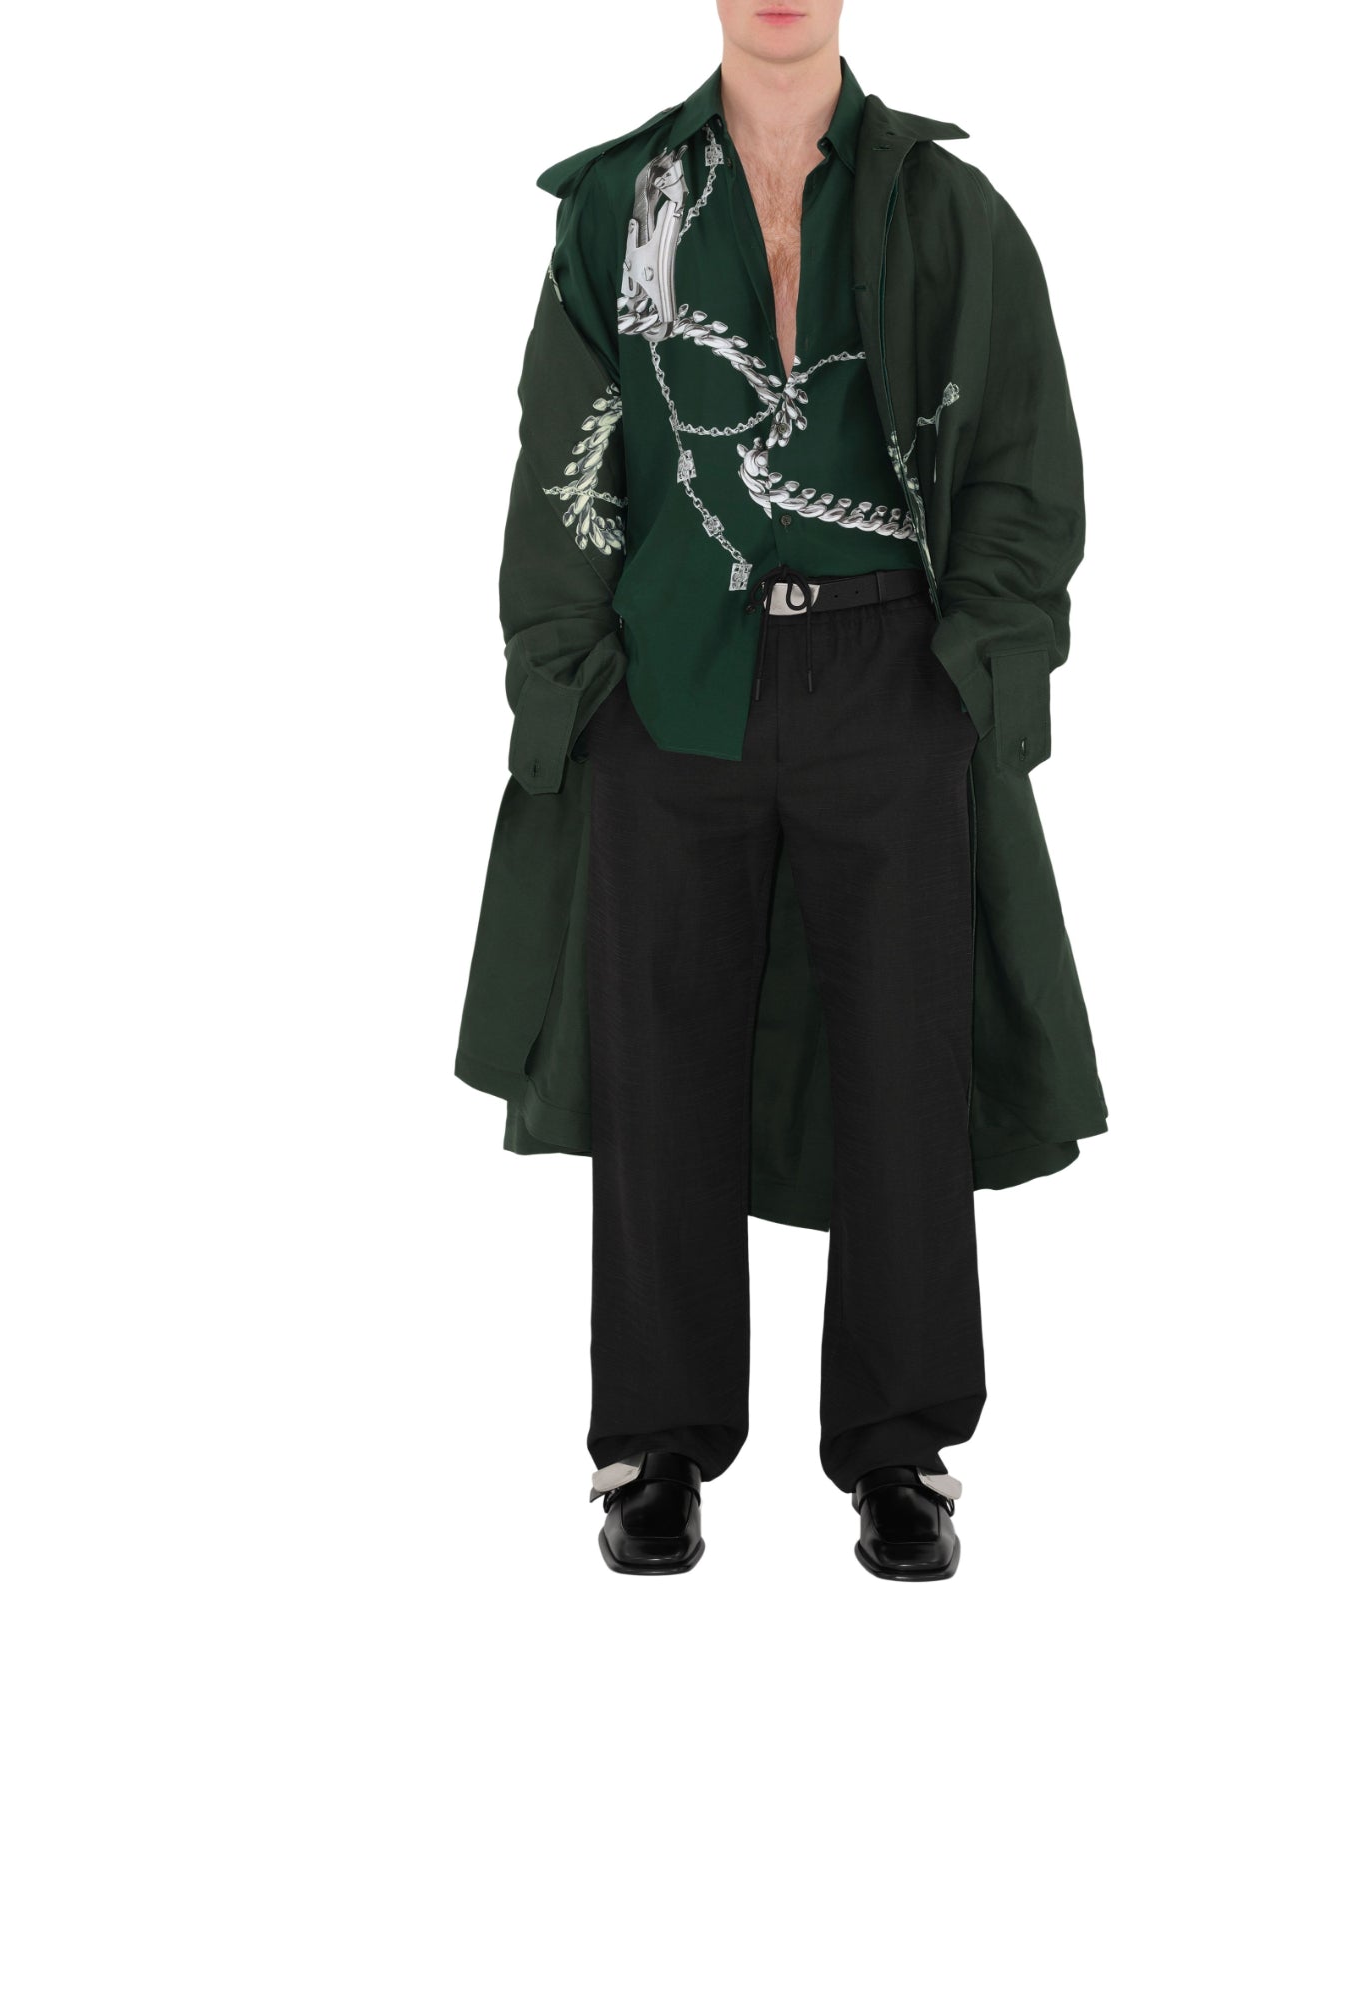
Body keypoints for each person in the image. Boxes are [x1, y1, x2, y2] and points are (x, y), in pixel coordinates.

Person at [455, 0, 1108, 1580]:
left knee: (907, 1058)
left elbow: (1022, 464)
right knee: (656, 1062)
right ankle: (654, 1444)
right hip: (673, 677)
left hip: (891, 675)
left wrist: (978, 673)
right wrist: (572, 683)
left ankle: (899, 1449)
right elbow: (565, 463)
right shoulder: (618, 208)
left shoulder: (949, 211)